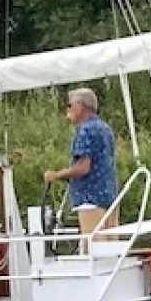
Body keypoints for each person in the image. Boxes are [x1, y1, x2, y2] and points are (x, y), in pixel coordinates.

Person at [44, 87, 119, 236]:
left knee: (93, 247)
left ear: (80, 106)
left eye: (69, 105)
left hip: (90, 199)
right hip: (109, 196)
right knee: (111, 247)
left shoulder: (84, 130)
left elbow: (83, 167)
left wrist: (56, 175)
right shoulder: (105, 128)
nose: (68, 110)